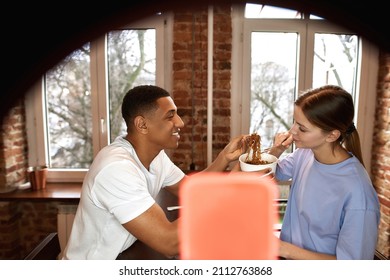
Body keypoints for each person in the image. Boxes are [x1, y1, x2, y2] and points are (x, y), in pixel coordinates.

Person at [62, 85, 249, 260]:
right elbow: (169, 242)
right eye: (170, 116)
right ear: (142, 124)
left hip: (125, 255)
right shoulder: (116, 169)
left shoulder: (155, 157)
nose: (180, 123)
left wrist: (224, 157)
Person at [269, 85, 380, 260]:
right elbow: (268, 177)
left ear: (332, 135)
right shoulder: (304, 154)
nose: (292, 131)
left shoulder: (358, 193)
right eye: (294, 122)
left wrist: (284, 249)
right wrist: (276, 150)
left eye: (302, 128)